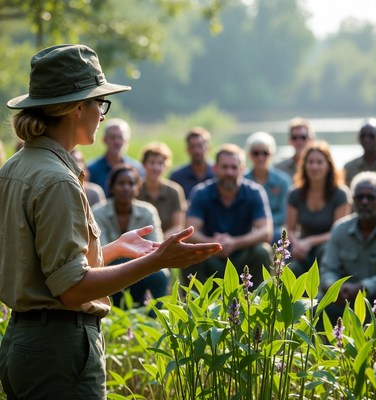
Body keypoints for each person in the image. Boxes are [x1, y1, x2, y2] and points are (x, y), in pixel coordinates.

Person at [0, 44, 222, 400]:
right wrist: (158, 261)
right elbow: (72, 290)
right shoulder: (57, 180)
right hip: (59, 352)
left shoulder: (16, 167)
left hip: (24, 343)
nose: (102, 114)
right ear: (77, 108)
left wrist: (114, 249)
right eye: (99, 103)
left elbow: (41, 266)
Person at [182, 143, 273, 288]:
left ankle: (256, 303)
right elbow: (191, 231)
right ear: (215, 168)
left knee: (263, 251)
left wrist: (235, 242)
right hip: (210, 254)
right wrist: (212, 244)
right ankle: (196, 305)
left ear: (242, 169)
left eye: (234, 167)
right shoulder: (201, 192)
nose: (229, 172)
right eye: (224, 167)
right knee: (188, 252)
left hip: (242, 254)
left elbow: (265, 231)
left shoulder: (255, 192)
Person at [320, 171, 376, 331]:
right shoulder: (340, 229)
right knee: (318, 303)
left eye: (370, 197)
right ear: (353, 200)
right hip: (344, 297)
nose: (364, 202)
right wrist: (332, 287)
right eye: (359, 197)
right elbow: (328, 268)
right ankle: (324, 350)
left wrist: (364, 287)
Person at [93, 163, 169, 308]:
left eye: (131, 183)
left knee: (161, 275)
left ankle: (152, 320)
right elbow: (100, 251)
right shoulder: (98, 212)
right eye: (121, 183)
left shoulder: (148, 211)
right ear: (112, 187)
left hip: (142, 265)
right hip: (110, 267)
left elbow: (157, 246)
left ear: (138, 188)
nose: (126, 188)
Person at [286, 140, 351, 277]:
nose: (314, 167)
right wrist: (297, 244)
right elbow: (290, 229)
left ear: (329, 166)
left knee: (323, 251)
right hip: (302, 251)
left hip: (329, 249)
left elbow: (339, 231)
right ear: (304, 165)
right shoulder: (294, 193)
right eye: (310, 162)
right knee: (291, 271)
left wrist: (309, 242)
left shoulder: (340, 194)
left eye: (319, 162)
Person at [244, 131, 291, 244]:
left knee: (279, 236)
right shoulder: (242, 181)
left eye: (265, 153)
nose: (260, 157)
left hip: (275, 228)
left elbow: (284, 213)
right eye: (256, 153)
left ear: (272, 154)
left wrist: (263, 224)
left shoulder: (283, 181)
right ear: (249, 155)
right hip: (248, 228)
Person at [137, 141, 187, 239]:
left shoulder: (174, 191)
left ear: (166, 166)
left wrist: (159, 241)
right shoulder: (135, 189)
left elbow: (178, 226)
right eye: (151, 162)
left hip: (166, 244)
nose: (155, 167)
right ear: (143, 165)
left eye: (160, 163)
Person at [87, 117, 144, 196]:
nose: (116, 142)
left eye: (120, 137)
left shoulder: (138, 169)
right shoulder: (91, 169)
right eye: (112, 138)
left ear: (127, 141)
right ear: (104, 140)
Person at [169, 126, 215, 199]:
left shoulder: (219, 173)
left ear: (208, 148)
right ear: (187, 149)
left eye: (200, 146)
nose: (196, 151)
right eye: (193, 146)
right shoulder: (177, 176)